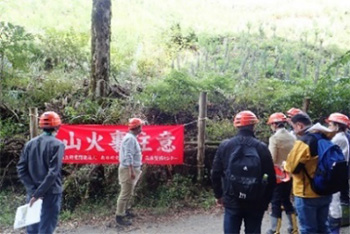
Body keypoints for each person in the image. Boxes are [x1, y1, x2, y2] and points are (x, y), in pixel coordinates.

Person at [212, 110, 276, 234]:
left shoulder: (226, 146)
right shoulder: (261, 147)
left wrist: (219, 195)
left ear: (236, 125)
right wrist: (266, 200)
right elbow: (271, 177)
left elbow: (215, 172)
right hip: (256, 201)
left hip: (231, 199)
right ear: (254, 126)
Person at [284, 113, 332, 234]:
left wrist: (285, 164)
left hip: (307, 193)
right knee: (323, 227)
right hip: (326, 189)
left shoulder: (304, 142)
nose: (293, 130)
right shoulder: (326, 138)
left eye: (293, 127)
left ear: (299, 125)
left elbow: (292, 167)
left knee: (308, 229)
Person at [17, 111, 65, 234]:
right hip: (51, 193)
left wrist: (33, 191)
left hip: (32, 195)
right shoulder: (58, 144)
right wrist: (39, 193)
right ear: (57, 126)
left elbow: (21, 169)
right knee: (46, 227)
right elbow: (53, 173)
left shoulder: (30, 144)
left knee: (32, 228)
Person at [266, 113, 298, 234]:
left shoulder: (274, 138)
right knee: (286, 200)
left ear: (274, 124)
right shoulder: (292, 137)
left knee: (275, 201)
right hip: (290, 173)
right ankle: (293, 228)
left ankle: (274, 230)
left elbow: (272, 159)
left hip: (278, 176)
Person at [115, 118, 144, 226]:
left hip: (130, 169)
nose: (141, 129)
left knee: (128, 192)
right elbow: (128, 156)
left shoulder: (132, 138)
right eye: (140, 126)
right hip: (128, 169)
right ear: (137, 128)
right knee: (125, 193)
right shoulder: (130, 139)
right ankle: (120, 216)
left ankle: (125, 211)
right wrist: (131, 171)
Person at [326, 113, 350, 233]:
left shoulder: (338, 138)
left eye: (330, 124)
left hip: (335, 173)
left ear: (337, 126)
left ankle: (334, 229)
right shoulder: (341, 137)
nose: (329, 126)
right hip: (338, 172)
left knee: (334, 202)